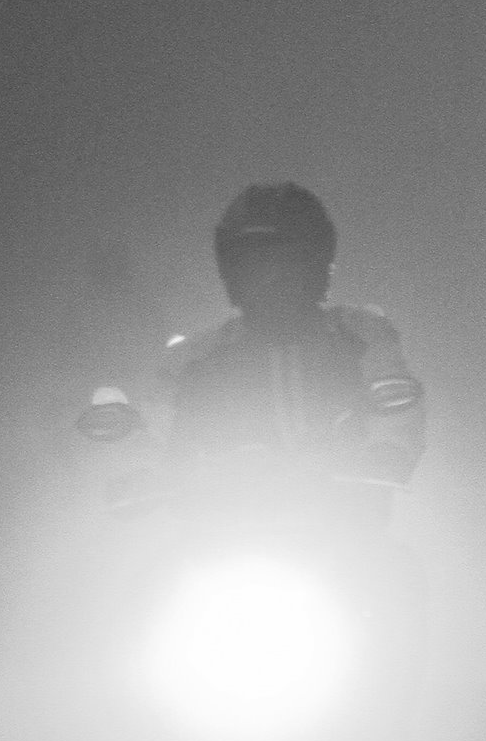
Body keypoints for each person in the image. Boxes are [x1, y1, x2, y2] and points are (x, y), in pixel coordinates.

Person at [156, 182, 425, 527]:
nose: (271, 277)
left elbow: (396, 402)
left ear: (316, 261)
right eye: (253, 262)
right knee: (151, 574)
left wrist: (389, 452)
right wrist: (137, 468)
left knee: (403, 575)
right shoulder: (198, 357)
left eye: (286, 260)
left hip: (345, 533)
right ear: (230, 269)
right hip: (222, 535)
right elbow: (154, 420)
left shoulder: (360, 335)